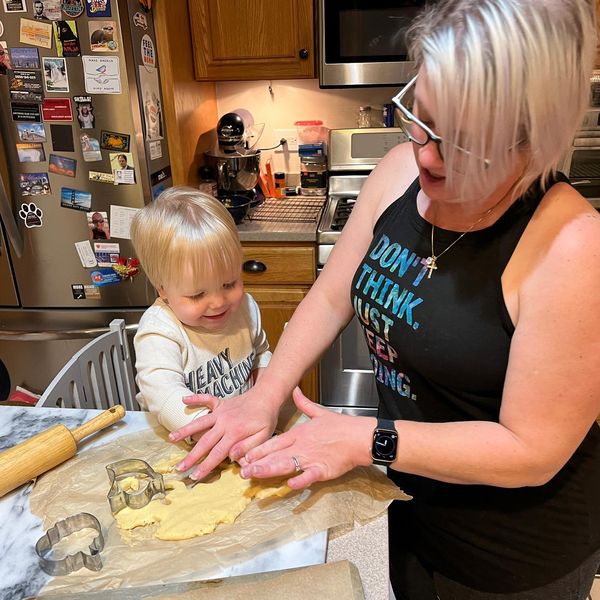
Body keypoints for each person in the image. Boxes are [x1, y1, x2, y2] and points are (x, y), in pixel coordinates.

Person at [169, 1, 600, 599]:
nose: (427, 155)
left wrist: (364, 438)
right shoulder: (398, 171)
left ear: (536, 135)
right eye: (421, 119)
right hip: (411, 507)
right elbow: (330, 296)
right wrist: (264, 396)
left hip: (511, 556)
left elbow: (531, 451)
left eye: (464, 144)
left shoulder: (573, 247)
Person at [130, 187, 272, 434]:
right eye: (197, 295)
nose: (218, 302)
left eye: (229, 284)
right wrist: (213, 430)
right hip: (187, 438)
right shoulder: (160, 331)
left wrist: (265, 393)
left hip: (241, 430)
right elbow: (164, 397)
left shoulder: (245, 308)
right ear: (163, 289)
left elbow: (261, 354)